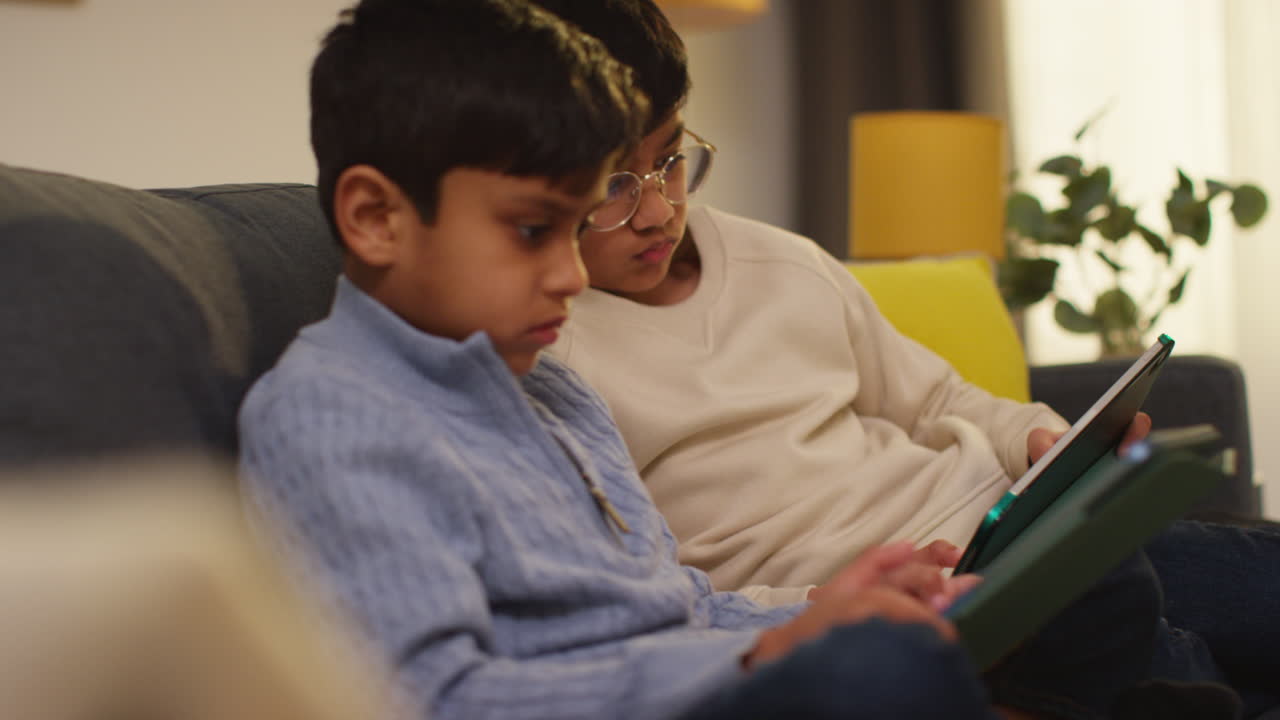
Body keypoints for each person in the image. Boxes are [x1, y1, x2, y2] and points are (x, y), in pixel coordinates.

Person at [237, 1, 1008, 718]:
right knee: (878, 670)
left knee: (911, 631)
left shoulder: (553, 391)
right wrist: (756, 659)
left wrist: (820, 609)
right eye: (534, 231)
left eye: (577, 229)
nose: (572, 275)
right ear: (376, 217)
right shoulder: (333, 416)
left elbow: (679, 608)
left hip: (696, 683)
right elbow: (436, 697)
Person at [531, 0, 1280, 715]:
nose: (658, 210)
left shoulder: (777, 259)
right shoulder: (548, 348)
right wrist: (816, 609)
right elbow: (659, 601)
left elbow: (938, 400)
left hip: (1006, 526)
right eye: (614, 186)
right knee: (1138, 616)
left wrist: (1041, 443)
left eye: (669, 161)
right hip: (913, 605)